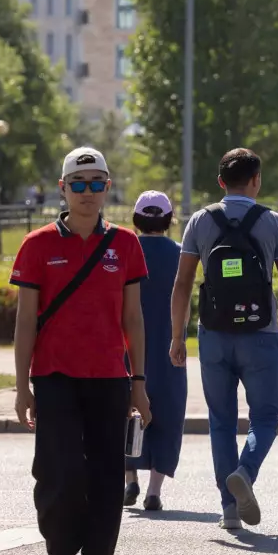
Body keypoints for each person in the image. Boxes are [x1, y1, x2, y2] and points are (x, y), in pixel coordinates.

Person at [11, 147, 152, 555]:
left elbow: (133, 319)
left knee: (107, 478)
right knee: (61, 473)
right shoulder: (37, 245)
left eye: (97, 184)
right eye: (79, 183)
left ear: (108, 188)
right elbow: (25, 321)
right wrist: (20, 387)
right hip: (54, 378)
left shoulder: (126, 244)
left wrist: (140, 381)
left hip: (110, 378)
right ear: (63, 188)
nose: (88, 193)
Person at [170, 148, 278, 530]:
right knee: (265, 416)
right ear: (256, 180)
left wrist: (177, 337)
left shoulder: (199, 221)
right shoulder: (273, 223)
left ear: (220, 183)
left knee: (221, 420)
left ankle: (229, 509)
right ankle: (245, 471)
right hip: (261, 334)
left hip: (213, 335)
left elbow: (182, 283)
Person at [124, 191, 188, 512]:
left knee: (124, 411)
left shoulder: (124, 251)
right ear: (168, 219)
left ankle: (130, 479)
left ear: (137, 220)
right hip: (169, 347)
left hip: (127, 348)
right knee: (167, 415)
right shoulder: (180, 254)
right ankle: (154, 491)